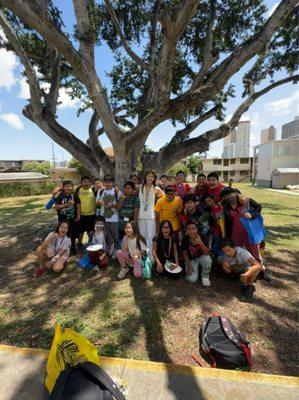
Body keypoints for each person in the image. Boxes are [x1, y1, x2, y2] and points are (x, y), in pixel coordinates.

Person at [221, 187, 270, 281]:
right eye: (226, 196)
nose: (229, 197)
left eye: (231, 194)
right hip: (236, 234)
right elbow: (227, 223)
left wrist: (252, 215)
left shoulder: (246, 201)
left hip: (249, 233)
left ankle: (261, 272)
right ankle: (238, 271)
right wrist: (228, 237)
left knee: (255, 252)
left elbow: (258, 207)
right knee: (234, 253)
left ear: (235, 193)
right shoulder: (226, 207)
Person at [138, 170, 164, 258]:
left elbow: (164, 198)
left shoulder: (156, 188)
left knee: (150, 237)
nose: (150, 178)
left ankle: (151, 259)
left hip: (151, 216)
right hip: (141, 216)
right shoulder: (140, 187)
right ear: (145, 176)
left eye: (152, 177)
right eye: (148, 176)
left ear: (154, 179)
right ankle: (143, 258)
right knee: (142, 237)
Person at [181, 220, 212, 286]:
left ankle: (205, 276)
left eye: (193, 229)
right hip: (191, 260)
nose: (192, 231)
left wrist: (200, 242)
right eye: (189, 229)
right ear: (186, 230)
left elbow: (207, 253)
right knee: (192, 279)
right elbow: (185, 254)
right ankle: (197, 269)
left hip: (201, 257)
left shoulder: (202, 237)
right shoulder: (185, 239)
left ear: (197, 229)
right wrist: (189, 266)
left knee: (208, 259)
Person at [96, 175, 120, 255]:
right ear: (103, 183)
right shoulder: (101, 191)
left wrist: (112, 205)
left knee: (115, 235)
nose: (108, 184)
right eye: (106, 182)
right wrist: (99, 203)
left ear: (112, 183)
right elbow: (97, 204)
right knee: (106, 235)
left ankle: (116, 251)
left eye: (109, 182)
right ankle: (107, 251)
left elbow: (119, 206)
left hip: (114, 218)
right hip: (103, 218)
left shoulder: (116, 192)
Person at [54, 180, 79, 255]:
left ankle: (73, 247)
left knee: (73, 233)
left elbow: (78, 205)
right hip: (63, 220)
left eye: (70, 186)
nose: (69, 188)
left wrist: (78, 216)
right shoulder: (60, 196)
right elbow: (56, 207)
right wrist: (66, 205)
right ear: (63, 187)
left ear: (72, 187)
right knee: (62, 233)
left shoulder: (74, 195)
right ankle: (60, 248)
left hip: (72, 218)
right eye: (67, 186)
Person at [75, 176, 96, 250]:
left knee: (90, 231)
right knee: (80, 231)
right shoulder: (78, 189)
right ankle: (80, 244)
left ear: (90, 183)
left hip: (91, 215)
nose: (86, 183)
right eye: (84, 181)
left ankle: (90, 244)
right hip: (81, 215)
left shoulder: (93, 189)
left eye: (88, 181)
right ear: (81, 183)